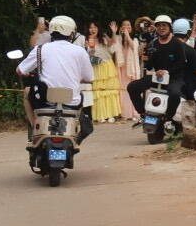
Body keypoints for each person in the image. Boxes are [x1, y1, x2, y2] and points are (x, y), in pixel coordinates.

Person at [15, 15, 93, 153]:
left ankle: (34, 128)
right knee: (81, 94)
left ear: (51, 31)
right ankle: (74, 132)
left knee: (27, 91)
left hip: (44, 102)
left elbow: (20, 70)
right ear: (71, 33)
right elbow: (89, 77)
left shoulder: (40, 49)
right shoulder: (80, 51)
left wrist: (27, 72)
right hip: (71, 102)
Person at [127, 15, 190, 127]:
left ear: (169, 27)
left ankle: (168, 118)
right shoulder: (153, 43)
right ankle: (143, 114)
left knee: (175, 93)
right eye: (159, 25)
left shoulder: (177, 43)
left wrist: (167, 71)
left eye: (164, 25)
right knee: (132, 87)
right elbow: (150, 65)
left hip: (174, 78)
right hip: (158, 78)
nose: (161, 28)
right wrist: (146, 58)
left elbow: (181, 63)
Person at [89, 27, 123, 122]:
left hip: (107, 66)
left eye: (95, 27)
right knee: (98, 92)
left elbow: (112, 46)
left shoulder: (104, 38)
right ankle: (101, 115)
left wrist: (113, 32)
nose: (93, 29)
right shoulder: (87, 40)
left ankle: (111, 114)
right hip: (96, 67)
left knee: (109, 90)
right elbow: (88, 55)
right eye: (91, 27)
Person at [112, 19, 140, 121]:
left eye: (128, 25)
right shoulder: (119, 39)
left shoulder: (135, 39)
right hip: (122, 67)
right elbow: (113, 45)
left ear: (131, 28)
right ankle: (124, 112)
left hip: (130, 68)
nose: (126, 27)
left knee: (131, 90)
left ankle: (133, 112)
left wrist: (127, 35)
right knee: (122, 90)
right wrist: (114, 32)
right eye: (124, 26)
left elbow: (133, 47)